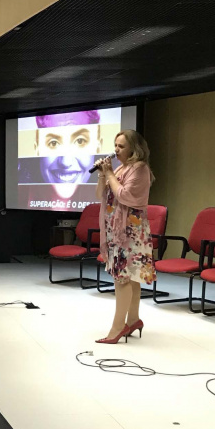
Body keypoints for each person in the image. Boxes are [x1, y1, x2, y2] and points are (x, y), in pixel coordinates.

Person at [93, 129, 156, 344]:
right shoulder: (121, 168)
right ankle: (134, 319)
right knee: (130, 277)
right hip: (117, 229)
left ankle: (117, 328)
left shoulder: (140, 169)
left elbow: (126, 196)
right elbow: (100, 193)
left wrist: (110, 174)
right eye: (115, 145)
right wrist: (103, 174)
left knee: (123, 278)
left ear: (134, 149)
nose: (116, 150)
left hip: (130, 232)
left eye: (121, 146)